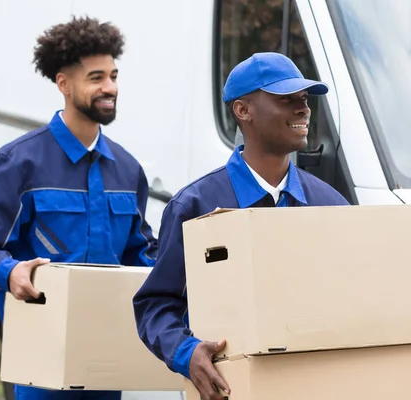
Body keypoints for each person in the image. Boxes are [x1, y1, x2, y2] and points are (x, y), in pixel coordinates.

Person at [0, 16, 157, 400]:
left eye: (113, 76)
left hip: (106, 354)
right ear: (64, 84)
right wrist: (11, 272)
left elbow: (139, 252)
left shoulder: (128, 170)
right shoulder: (19, 163)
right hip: (39, 356)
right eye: (96, 78)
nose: (110, 87)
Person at [132, 52, 350, 400]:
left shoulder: (332, 206)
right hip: (233, 389)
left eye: (304, 99)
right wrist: (187, 354)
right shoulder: (194, 206)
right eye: (286, 99)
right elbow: (155, 305)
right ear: (243, 111)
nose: (303, 109)